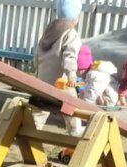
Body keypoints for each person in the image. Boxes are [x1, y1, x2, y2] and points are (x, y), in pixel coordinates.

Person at [34, 0, 83, 136]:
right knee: (71, 105)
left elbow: (37, 54)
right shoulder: (70, 34)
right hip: (61, 81)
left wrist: (37, 72)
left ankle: (32, 129)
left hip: (43, 79)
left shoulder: (48, 31)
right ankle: (74, 130)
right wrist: (71, 74)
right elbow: (70, 56)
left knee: (41, 108)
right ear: (76, 16)